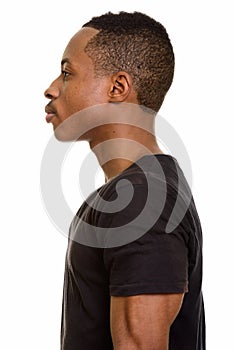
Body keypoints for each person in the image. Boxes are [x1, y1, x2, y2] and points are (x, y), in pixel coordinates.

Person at [44, 11, 205, 350]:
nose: (51, 89)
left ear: (117, 87)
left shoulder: (143, 201)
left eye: (66, 73)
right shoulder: (134, 194)